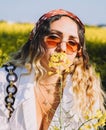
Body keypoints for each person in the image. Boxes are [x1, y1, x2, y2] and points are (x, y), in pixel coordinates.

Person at [0, 9, 106, 130]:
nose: (62, 48)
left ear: (78, 52)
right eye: (53, 38)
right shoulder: (6, 81)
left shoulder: (86, 92)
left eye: (72, 43)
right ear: (35, 40)